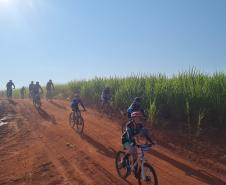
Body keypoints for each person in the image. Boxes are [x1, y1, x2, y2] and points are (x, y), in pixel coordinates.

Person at [121, 111, 155, 177]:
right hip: (126, 139)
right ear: (133, 118)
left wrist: (151, 141)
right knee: (132, 150)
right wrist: (135, 140)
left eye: (139, 118)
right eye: (136, 118)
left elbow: (145, 133)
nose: (138, 119)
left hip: (134, 139)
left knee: (136, 156)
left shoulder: (140, 125)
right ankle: (123, 161)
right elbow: (129, 136)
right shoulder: (129, 125)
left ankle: (135, 170)